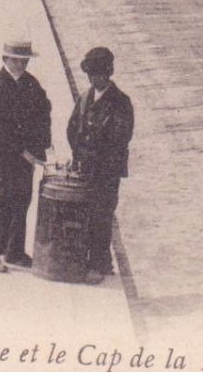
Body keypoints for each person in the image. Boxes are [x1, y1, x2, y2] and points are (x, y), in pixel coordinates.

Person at [0, 39, 51, 273]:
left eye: (24, 60)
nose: (21, 64)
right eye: (16, 60)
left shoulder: (31, 84)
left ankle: (14, 250)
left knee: (22, 200)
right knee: (3, 200)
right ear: (5, 59)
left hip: (27, 154)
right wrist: (25, 153)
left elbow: (43, 113)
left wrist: (42, 147)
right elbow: (1, 129)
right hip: (6, 153)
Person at [67, 46, 135, 284]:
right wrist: (79, 150)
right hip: (86, 167)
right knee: (87, 214)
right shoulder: (85, 98)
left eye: (101, 74)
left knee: (101, 215)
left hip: (107, 171)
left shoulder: (121, 102)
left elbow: (119, 137)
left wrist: (89, 147)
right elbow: (72, 128)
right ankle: (100, 261)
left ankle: (98, 264)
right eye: (92, 75)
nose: (97, 79)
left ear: (109, 73)